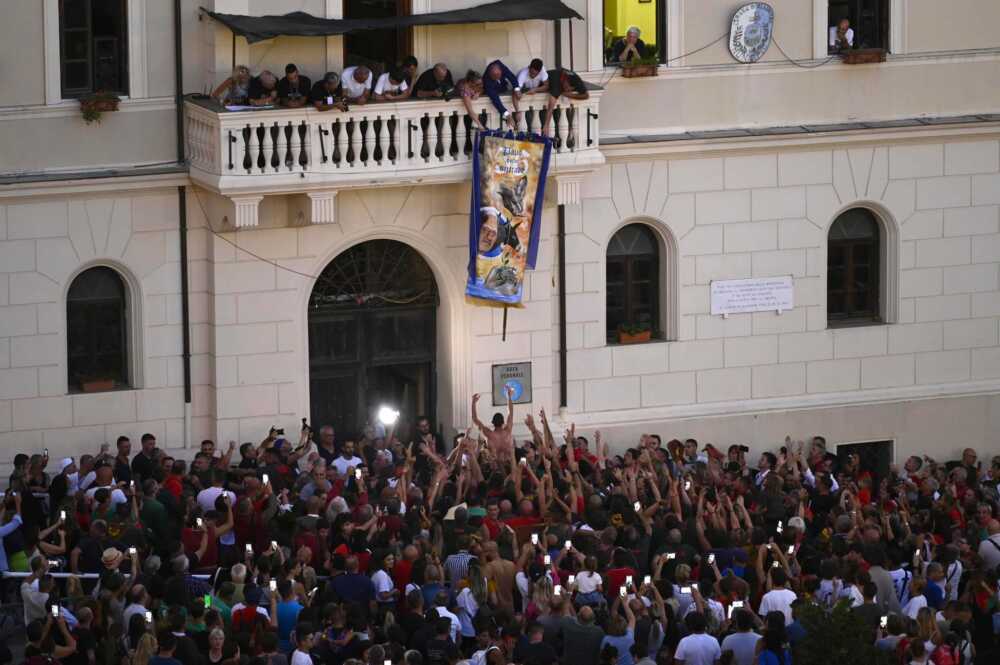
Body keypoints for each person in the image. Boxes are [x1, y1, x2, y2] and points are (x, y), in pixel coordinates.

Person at [538, 67, 589, 136]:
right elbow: (550, 107)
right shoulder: (556, 83)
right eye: (566, 88)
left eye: (571, 89)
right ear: (564, 81)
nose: (568, 89)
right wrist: (546, 125)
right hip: (540, 83)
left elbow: (586, 95)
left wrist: (570, 95)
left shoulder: (576, 79)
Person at [482, 60, 521, 129]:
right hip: (495, 91)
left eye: (499, 75)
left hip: (503, 87)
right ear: (491, 74)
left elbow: (510, 76)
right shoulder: (487, 81)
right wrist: (507, 115)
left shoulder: (499, 64)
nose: (498, 78)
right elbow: (495, 99)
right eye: (496, 77)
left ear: (500, 70)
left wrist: (517, 89)